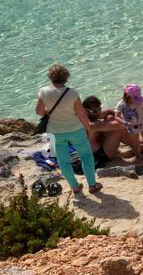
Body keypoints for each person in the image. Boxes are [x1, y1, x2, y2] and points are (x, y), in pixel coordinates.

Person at [34, 64, 102, 195]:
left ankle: (75, 187)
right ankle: (92, 185)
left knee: (63, 160)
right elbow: (81, 113)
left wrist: (50, 112)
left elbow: (39, 111)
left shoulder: (43, 92)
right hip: (75, 129)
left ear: (50, 77)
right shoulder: (72, 92)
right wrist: (87, 125)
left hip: (55, 132)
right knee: (86, 156)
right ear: (66, 77)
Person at [82, 96, 128, 162]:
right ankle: (137, 146)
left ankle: (136, 144)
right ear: (86, 111)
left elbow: (108, 111)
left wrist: (116, 115)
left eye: (100, 109)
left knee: (110, 117)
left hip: (102, 148)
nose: (98, 112)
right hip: (100, 156)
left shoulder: (90, 116)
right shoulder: (91, 125)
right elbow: (123, 125)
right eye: (95, 111)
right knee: (119, 130)